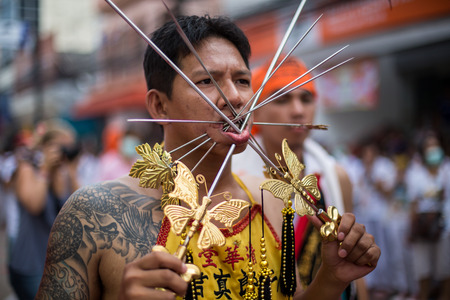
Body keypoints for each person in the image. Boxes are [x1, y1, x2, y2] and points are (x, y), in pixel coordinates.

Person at [36, 15, 380, 299]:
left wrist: (330, 280)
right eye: (206, 81)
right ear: (159, 105)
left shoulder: (274, 199)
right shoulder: (94, 212)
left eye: (243, 81)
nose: (234, 97)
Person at [232, 56, 366, 299]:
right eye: (281, 99)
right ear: (256, 109)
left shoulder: (334, 177)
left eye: (306, 99)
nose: (298, 111)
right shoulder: (234, 180)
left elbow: (354, 265)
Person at [9, 118, 81, 299]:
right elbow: (35, 205)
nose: (64, 152)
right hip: (32, 263)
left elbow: (80, 206)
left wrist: (70, 170)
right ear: (47, 146)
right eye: (61, 147)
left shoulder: (63, 173)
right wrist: (45, 169)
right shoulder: (27, 168)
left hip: (56, 263)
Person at [405, 130, 450, 300]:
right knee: (422, 268)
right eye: (428, 146)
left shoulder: (447, 169)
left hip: (445, 227)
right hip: (422, 228)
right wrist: (411, 229)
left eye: (435, 145)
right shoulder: (415, 173)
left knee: (445, 267)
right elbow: (413, 204)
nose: (432, 149)